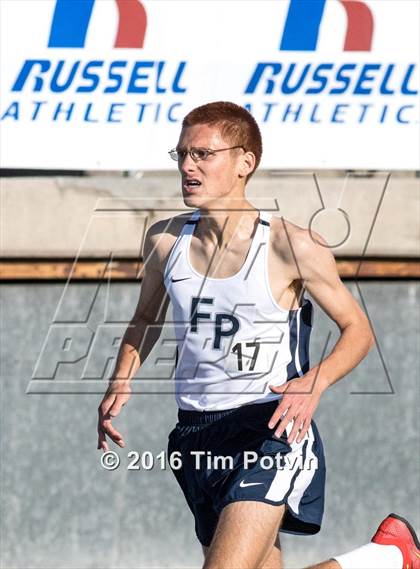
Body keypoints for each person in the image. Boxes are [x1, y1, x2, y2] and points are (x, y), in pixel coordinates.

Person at [97, 101, 420, 569]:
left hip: (268, 430)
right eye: (182, 153)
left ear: (245, 162)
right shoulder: (165, 240)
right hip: (195, 434)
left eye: (204, 154)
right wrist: (121, 378)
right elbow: (145, 317)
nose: (188, 165)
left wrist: (315, 381)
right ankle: (384, 557)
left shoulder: (291, 245)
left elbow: (358, 330)